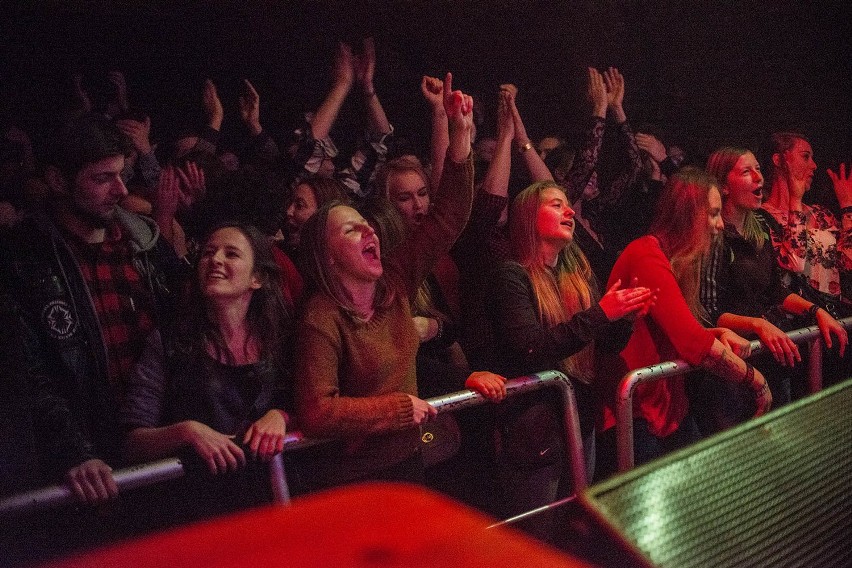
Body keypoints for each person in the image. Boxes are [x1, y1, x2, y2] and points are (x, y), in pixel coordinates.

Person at [293, 74, 505, 491]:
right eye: (352, 231)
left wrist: (461, 135)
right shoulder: (321, 317)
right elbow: (317, 410)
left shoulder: (392, 281)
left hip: (408, 459)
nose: (370, 232)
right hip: (353, 479)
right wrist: (397, 410)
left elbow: (446, 219)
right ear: (327, 254)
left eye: (366, 225)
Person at [0, 113, 185, 504]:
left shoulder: (145, 246)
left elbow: (187, 332)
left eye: (121, 174)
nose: (120, 189)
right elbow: (24, 372)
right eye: (102, 178)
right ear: (57, 181)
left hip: (160, 451)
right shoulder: (22, 260)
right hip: (86, 472)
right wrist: (72, 451)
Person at [490, 180, 653, 540]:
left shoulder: (575, 275)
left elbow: (605, 345)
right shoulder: (512, 275)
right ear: (527, 218)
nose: (570, 212)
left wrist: (624, 316)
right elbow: (531, 347)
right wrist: (600, 314)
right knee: (537, 537)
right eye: (555, 205)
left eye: (568, 205)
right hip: (535, 427)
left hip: (580, 416)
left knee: (574, 530)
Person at [596, 167, 773, 475]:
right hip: (638, 414)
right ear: (689, 213)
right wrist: (756, 380)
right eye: (714, 213)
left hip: (665, 407)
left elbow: (678, 329)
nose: (719, 225)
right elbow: (690, 341)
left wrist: (716, 332)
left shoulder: (669, 257)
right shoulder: (646, 255)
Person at [121, 222, 294, 522]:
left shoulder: (279, 337)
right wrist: (188, 432)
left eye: (231, 254)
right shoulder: (168, 342)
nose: (215, 260)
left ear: (258, 277)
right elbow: (132, 441)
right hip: (194, 511)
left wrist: (280, 415)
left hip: (270, 502)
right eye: (208, 253)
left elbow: (312, 403)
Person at [698, 147, 847, 431]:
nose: (758, 177)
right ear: (723, 186)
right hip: (732, 368)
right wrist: (757, 325)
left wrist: (816, 311)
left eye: (758, 169)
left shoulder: (761, 226)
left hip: (767, 357)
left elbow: (776, 289)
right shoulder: (714, 236)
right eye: (746, 172)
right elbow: (708, 314)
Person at [757, 132, 852, 387]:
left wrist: (847, 206)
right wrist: (795, 202)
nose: (814, 166)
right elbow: (794, 263)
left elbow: (849, 265)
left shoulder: (821, 214)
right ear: (780, 160)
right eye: (805, 157)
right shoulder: (760, 217)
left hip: (835, 325)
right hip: (796, 333)